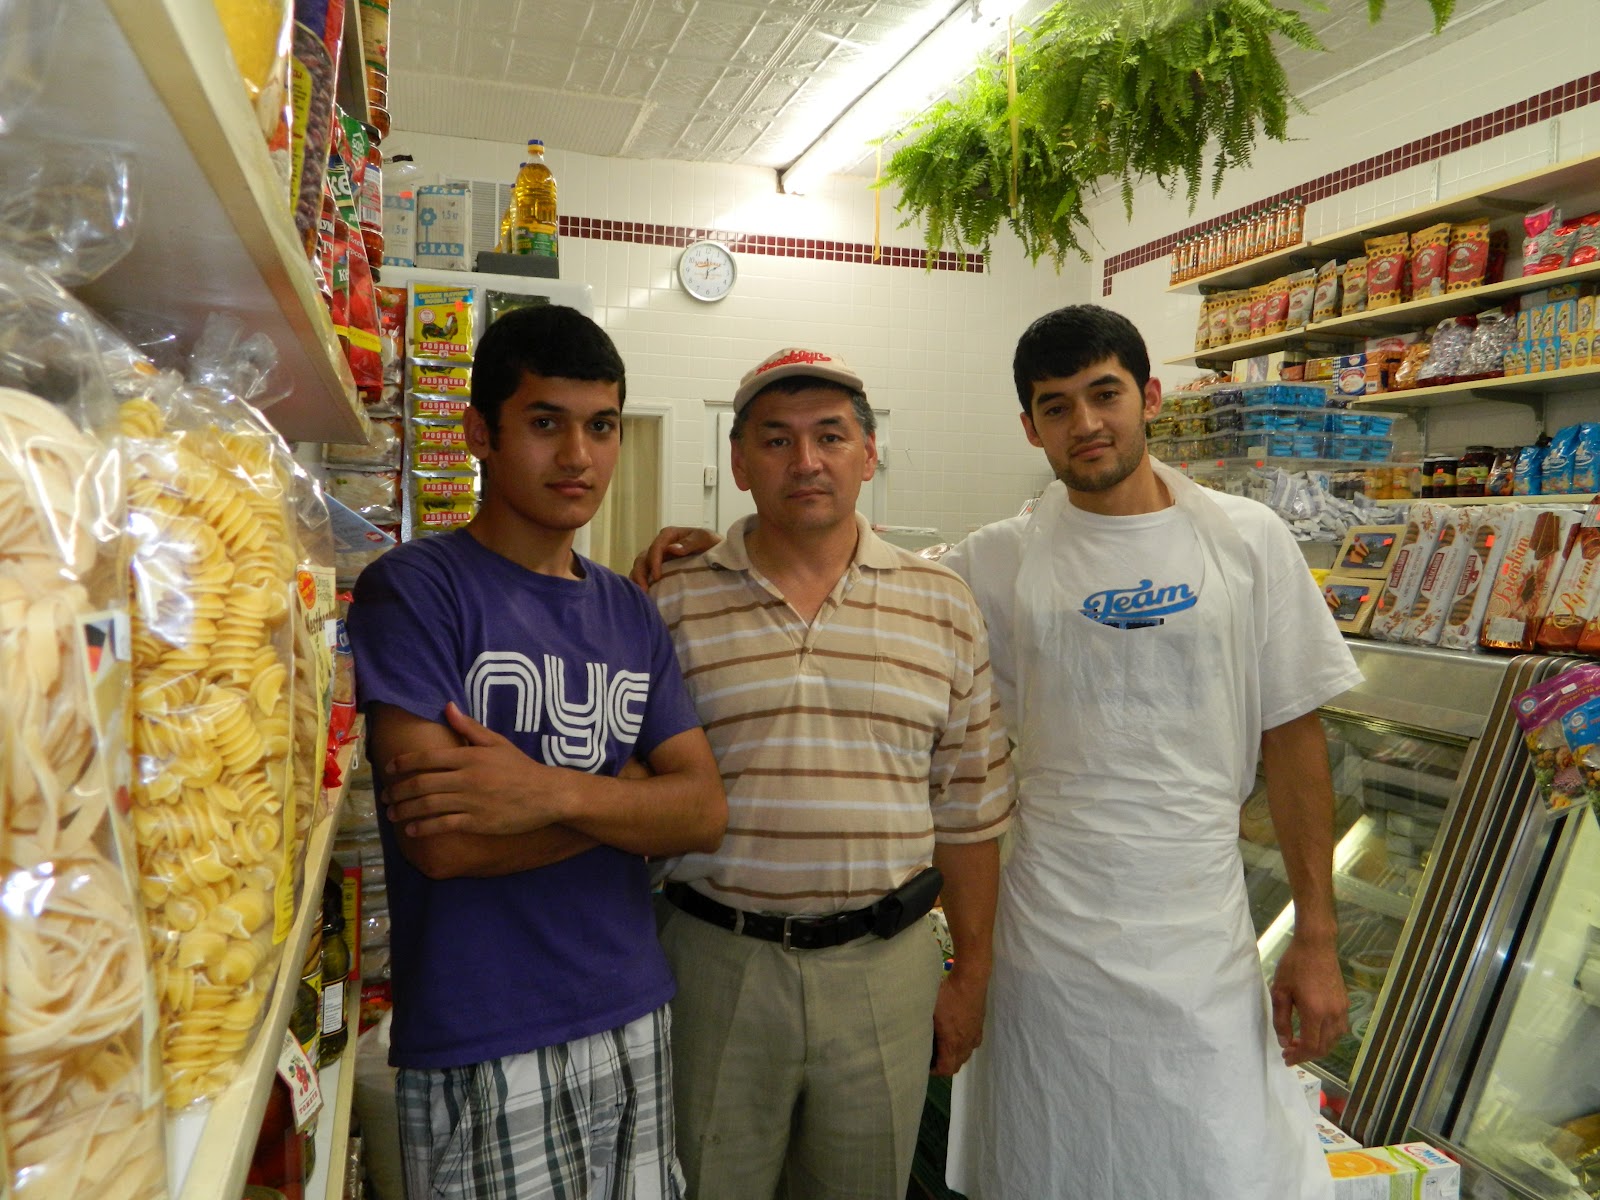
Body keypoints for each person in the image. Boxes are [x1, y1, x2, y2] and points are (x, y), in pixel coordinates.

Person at [939, 304, 1361, 1198]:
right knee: (1054, 1160)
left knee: (1213, 1161)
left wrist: (1316, 938)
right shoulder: (996, 561)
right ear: (1030, 428)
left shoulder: (1249, 542)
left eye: (1105, 394)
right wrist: (724, 548)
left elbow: (1293, 741)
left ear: (1150, 397)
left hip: (1201, 928)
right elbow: (863, 587)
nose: (1085, 423)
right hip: (1050, 935)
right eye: (1056, 407)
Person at [345, 304, 726, 1200]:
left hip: (634, 1011)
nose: (579, 456)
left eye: (601, 427)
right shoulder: (417, 590)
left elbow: (703, 812)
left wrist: (543, 792)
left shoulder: (629, 610)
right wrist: (628, 802)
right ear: (481, 432)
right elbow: (444, 841)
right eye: (546, 423)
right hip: (484, 1030)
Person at [643, 347, 1014, 1200]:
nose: (805, 462)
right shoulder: (672, 600)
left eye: (830, 437)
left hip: (884, 974)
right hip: (713, 964)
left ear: (868, 454)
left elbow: (970, 811)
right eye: (775, 440)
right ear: (738, 464)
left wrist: (973, 975)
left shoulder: (943, 604)